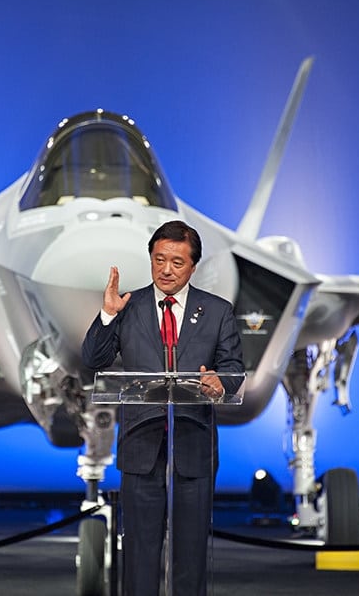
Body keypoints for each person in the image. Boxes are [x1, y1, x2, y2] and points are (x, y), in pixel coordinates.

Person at [82, 220, 244, 595]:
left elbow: (233, 369)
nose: (166, 270)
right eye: (159, 260)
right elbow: (94, 359)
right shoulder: (128, 306)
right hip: (142, 448)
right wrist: (107, 316)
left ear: (193, 266)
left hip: (193, 447)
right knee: (139, 556)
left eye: (176, 262)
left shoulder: (217, 311)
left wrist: (222, 382)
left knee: (191, 557)